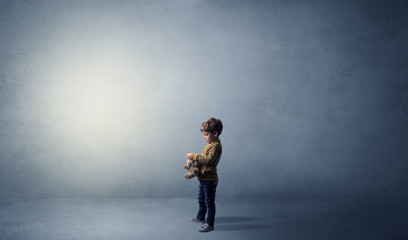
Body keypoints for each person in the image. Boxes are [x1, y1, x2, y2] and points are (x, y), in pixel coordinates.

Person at [186, 117, 223, 232]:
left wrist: (194, 156)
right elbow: (203, 161)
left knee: (209, 202)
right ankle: (201, 217)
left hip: (209, 179)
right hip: (203, 178)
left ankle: (209, 224)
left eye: (206, 134)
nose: (204, 137)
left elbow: (207, 160)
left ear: (215, 133)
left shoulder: (216, 146)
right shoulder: (211, 144)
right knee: (201, 199)